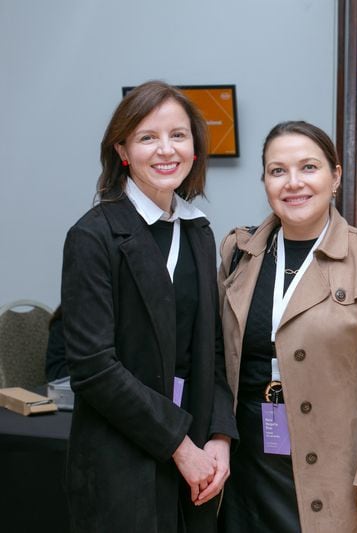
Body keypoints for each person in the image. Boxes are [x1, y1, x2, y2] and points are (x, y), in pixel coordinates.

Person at [217, 121, 357, 532]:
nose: (293, 183)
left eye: (308, 168)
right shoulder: (240, 253)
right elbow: (218, 358)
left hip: (340, 466)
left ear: (336, 176)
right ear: (265, 181)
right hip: (250, 463)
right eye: (278, 171)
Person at [60, 80, 238, 533]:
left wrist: (218, 437)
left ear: (195, 147)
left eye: (178, 135)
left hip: (196, 458)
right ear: (122, 150)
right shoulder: (93, 236)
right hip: (121, 461)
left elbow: (212, 349)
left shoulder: (198, 231)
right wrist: (181, 446)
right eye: (147, 137)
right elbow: (93, 367)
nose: (166, 150)